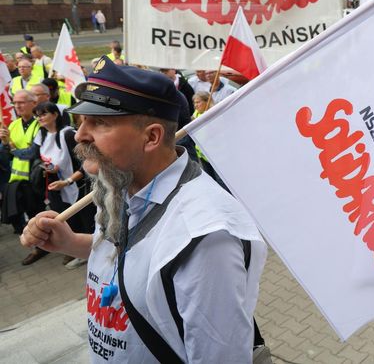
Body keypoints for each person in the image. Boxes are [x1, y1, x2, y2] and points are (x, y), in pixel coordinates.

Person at [20, 57, 267, 361]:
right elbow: (135, 257)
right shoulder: (120, 182)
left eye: (99, 122)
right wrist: (70, 243)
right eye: (81, 121)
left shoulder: (204, 235)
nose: (81, 134)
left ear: (151, 137)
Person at [14, 102, 93, 268]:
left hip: (76, 185)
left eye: (43, 114)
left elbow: (86, 164)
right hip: (55, 186)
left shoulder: (68, 134)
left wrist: (68, 181)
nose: (40, 118)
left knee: (85, 218)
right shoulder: (41, 135)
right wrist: (10, 147)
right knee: (66, 217)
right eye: (37, 115)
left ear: (55, 114)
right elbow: (33, 155)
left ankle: (89, 251)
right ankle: (76, 251)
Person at [0, 90, 45, 263]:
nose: (17, 106)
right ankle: (37, 245)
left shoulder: (39, 124)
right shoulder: (12, 125)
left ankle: (43, 245)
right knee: (20, 214)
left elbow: (32, 153)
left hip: (35, 178)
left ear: (33, 103)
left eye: (21, 102)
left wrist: (11, 148)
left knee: (37, 212)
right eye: (15, 103)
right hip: (17, 178)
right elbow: (6, 157)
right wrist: (4, 145)